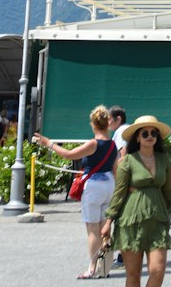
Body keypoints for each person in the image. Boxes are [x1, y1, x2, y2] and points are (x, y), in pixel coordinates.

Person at [100, 115, 171, 287]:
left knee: (158, 269)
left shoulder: (163, 160)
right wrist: (108, 221)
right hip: (130, 219)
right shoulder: (127, 161)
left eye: (153, 133)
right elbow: (119, 192)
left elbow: (168, 189)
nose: (149, 136)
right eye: (145, 133)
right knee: (133, 274)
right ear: (138, 137)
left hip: (157, 218)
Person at [35, 106, 118, 277]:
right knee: (105, 227)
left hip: (94, 186)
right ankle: (105, 267)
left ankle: (92, 268)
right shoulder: (113, 145)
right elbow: (116, 169)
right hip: (109, 184)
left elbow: (68, 154)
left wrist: (48, 142)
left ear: (93, 124)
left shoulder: (93, 143)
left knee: (92, 229)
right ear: (107, 124)